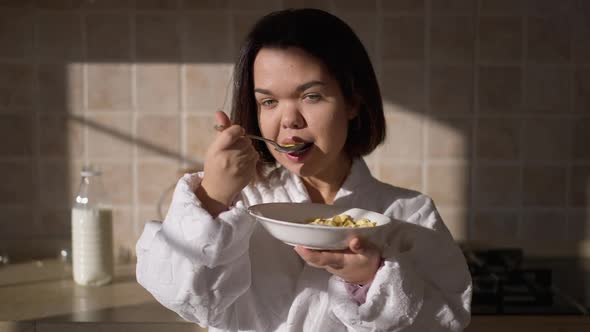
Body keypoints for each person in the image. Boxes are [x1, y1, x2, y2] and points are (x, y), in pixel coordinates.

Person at [136, 8, 472, 332]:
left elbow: (446, 321)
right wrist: (211, 197)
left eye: (311, 96)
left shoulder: (410, 214)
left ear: (353, 101)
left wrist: (371, 279)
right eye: (268, 102)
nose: (289, 120)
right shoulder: (239, 206)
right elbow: (188, 302)